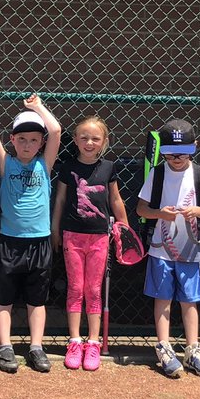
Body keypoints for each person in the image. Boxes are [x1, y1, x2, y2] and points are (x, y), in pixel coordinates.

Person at [0, 83, 62, 373]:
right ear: (12, 140)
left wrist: (38, 107)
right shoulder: (6, 164)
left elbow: (56, 131)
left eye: (33, 139)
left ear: (41, 143)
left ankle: (36, 347)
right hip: (9, 241)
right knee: (3, 299)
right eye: (22, 139)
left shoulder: (45, 164)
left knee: (36, 300)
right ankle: (4, 346)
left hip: (39, 242)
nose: (27, 144)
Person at [136, 118, 200, 379]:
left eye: (183, 153)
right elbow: (141, 209)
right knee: (163, 299)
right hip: (160, 249)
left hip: (191, 249)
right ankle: (164, 347)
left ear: (195, 147)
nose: (176, 159)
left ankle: (192, 349)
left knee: (189, 300)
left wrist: (197, 211)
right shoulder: (158, 173)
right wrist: (160, 213)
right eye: (170, 154)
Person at [50, 115, 127, 372]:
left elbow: (115, 200)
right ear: (75, 139)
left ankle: (93, 342)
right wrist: (55, 229)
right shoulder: (67, 166)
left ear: (104, 141)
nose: (89, 142)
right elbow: (60, 200)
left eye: (95, 138)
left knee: (93, 289)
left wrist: (124, 227)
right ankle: (74, 341)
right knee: (75, 287)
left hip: (99, 236)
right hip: (72, 235)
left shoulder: (108, 167)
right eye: (84, 137)